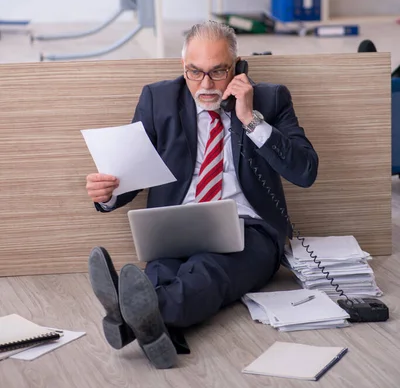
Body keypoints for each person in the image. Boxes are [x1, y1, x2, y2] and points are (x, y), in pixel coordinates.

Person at [86, 21, 318, 369]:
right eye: (195, 72)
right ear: (184, 68)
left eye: (217, 72)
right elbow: (132, 172)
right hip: (175, 225)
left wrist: (250, 119)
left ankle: (125, 315)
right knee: (161, 271)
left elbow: (305, 171)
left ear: (238, 67)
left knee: (206, 270)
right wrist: (107, 193)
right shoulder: (158, 99)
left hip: (248, 231)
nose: (206, 85)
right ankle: (147, 321)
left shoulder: (270, 99)